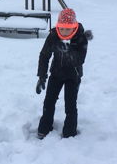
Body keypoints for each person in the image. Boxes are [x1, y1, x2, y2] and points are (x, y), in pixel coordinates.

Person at [35, 8, 92, 139]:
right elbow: (44, 55)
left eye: (68, 29)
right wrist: (42, 76)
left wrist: (67, 51)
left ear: (74, 27)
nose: (64, 31)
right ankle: (44, 127)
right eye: (61, 28)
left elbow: (80, 59)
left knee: (70, 104)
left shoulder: (81, 38)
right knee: (49, 101)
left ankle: (70, 132)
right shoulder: (53, 36)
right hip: (56, 73)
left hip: (73, 75)